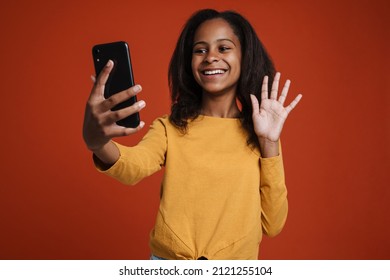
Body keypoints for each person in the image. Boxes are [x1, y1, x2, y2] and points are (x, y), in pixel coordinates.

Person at [83, 9, 302, 260]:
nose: (210, 57)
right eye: (200, 50)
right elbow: (131, 167)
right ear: (189, 62)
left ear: (245, 56)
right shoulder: (170, 127)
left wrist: (269, 143)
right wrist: (97, 141)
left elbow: (272, 224)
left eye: (223, 48)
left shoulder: (261, 134)